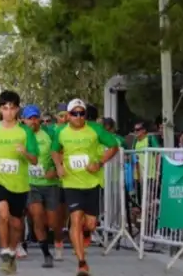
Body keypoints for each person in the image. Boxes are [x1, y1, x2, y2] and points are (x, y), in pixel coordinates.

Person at [51, 98, 119, 276]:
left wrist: (99, 163)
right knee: (75, 219)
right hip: (71, 183)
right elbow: (54, 150)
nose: (79, 117)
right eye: (75, 113)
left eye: (82, 113)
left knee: (90, 224)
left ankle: (86, 233)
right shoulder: (61, 132)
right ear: (68, 115)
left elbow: (113, 146)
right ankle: (82, 263)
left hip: (92, 182)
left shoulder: (95, 129)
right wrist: (58, 166)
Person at [0, 91, 39, 274]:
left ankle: (13, 250)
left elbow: (34, 160)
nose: (8, 112)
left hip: (19, 184)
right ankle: (4, 251)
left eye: (12, 108)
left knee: (16, 224)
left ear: (17, 109)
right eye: (5, 108)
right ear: (0, 109)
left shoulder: (25, 131)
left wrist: (25, 152)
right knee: (3, 213)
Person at [21, 105, 62, 267]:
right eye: (29, 118)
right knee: (37, 216)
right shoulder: (21, 134)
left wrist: (54, 169)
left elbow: (59, 152)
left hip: (50, 183)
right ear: (23, 120)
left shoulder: (50, 133)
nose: (33, 121)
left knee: (52, 221)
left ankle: (58, 242)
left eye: (35, 118)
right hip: (31, 184)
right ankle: (46, 254)